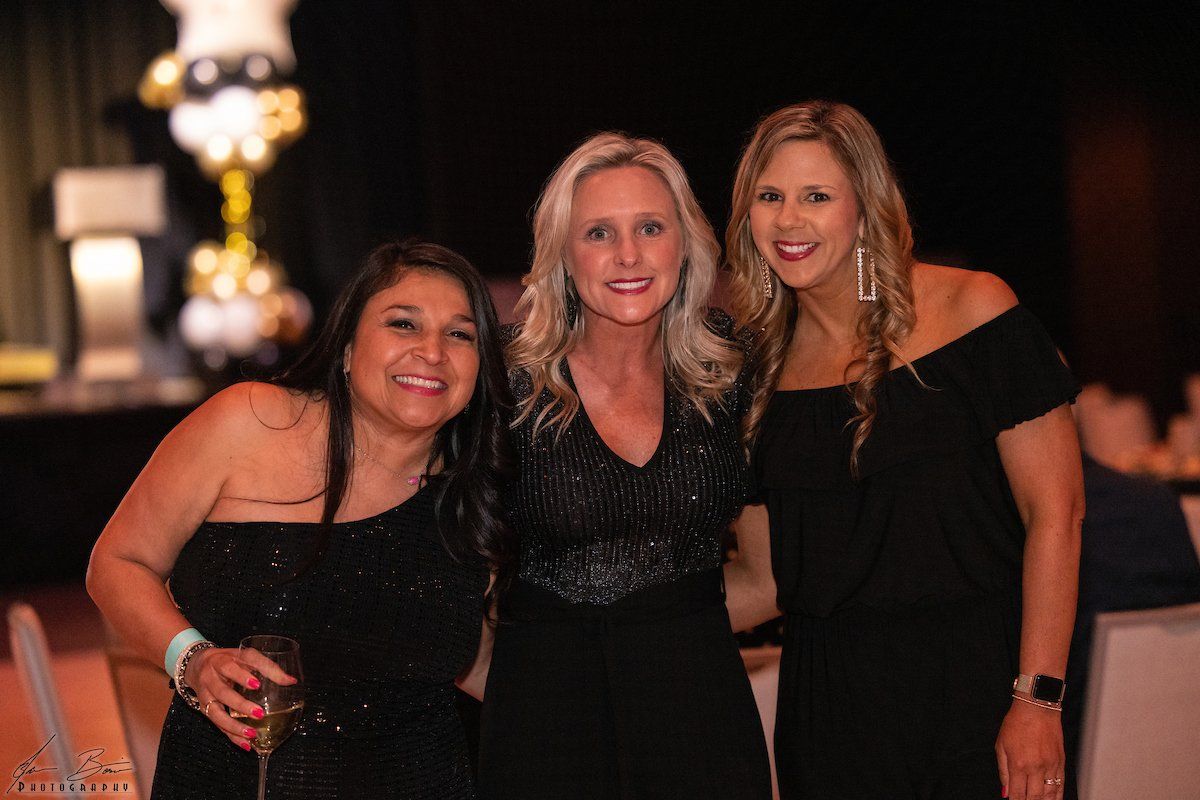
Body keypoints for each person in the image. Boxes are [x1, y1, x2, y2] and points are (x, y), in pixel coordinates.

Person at [727, 101, 1084, 800]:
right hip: (827, 715)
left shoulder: (971, 310)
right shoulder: (755, 370)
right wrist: (612, 621)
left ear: (864, 208)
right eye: (769, 197)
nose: (789, 220)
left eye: (817, 197)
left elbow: (1059, 515)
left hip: (977, 690)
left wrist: (1038, 699)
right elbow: (766, 582)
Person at [87, 239, 514, 799]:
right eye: (403, 325)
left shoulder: (478, 491)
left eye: (460, 334)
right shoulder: (247, 424)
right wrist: (191, 658)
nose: (432, 351)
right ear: (346, 346)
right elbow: (117, 561)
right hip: (232, 782)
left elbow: (483, 664)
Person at [477, 132, 776, 799]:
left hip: (700, 715)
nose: (629, 255)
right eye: (598, 233)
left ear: (684, 242)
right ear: (561, 254)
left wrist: (662, 636)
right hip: (544, 723)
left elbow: (769, 576)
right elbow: (429, 559)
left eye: (649, 227)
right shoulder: (503, 379)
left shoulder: (731, 372)